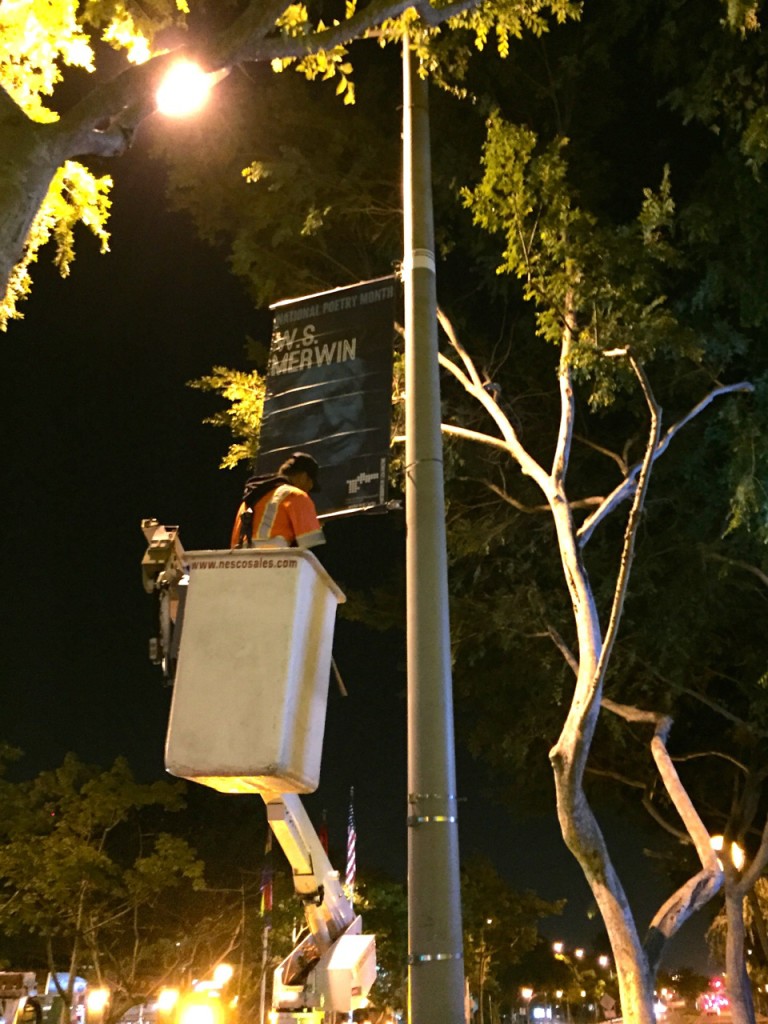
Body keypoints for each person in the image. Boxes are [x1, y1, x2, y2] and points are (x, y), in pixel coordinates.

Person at [230, 451, 325, 551]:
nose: (309, 488)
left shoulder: (250, 499)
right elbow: (313, 547)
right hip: (276, 562)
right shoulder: (296, 495)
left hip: (241, 563)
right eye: (311, 483)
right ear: (303, 476)